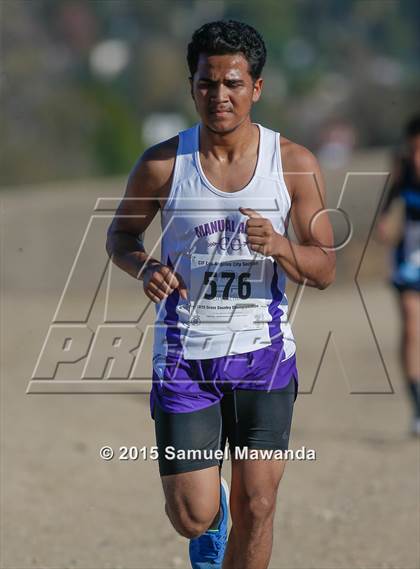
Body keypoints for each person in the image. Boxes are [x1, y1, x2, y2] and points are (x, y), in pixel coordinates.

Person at [106, 20, 335, 569]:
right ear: (192, 87)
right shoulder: (163, 164)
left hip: (264, 354)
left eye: (232, 83)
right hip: (186, 357)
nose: (220, 96)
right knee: (193, 514)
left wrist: (280, 246)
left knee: (260, 502)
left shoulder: (294, 164)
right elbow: (120, 235)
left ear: (256, 87)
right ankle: (213, 522)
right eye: (208, 84)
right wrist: (144, 268)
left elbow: (324, 267)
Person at [377, 115, 420, 437]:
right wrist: (384, 222)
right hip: (410, 262)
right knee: (411, 326)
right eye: (414, 150)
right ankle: (418, 408)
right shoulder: (402, 170)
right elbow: (388, 205)